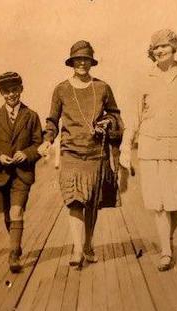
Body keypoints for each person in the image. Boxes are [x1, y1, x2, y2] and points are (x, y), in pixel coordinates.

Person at [120, 29, 177, 271]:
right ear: (151, 52)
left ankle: (167, 237)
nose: (160, 51)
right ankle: (166, 251)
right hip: (152, 146)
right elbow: (133, 117)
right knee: (159, 202)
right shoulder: (143, 78)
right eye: (156, 48)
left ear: (174, 47)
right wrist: (126, 148)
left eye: (165, 46)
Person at [38, 40, 122, 268]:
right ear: (72, 62)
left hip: (96, 154)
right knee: (75, 201)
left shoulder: (103, 87)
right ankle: (77, 249)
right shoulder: (61, 89)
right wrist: (47, 140)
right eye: (78, 59)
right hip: (70, 153)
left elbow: (116, 116)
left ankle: (88, 244)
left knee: (92, 203)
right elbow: (52, 120)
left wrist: (107, 122)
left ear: (91, 62)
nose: (82, 63)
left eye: (86, 59)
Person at [0, 72, 43, 273]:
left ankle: (14, 254)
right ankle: (16, 243)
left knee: (17, 211)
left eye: (15, 89)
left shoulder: (31, 116)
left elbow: (38, 143)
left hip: (22, 174)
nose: (11, 94)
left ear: (21, 89)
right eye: (7, 91)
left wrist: (27, 153)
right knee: (8, 215)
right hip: (1, 174)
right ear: (1, 93)